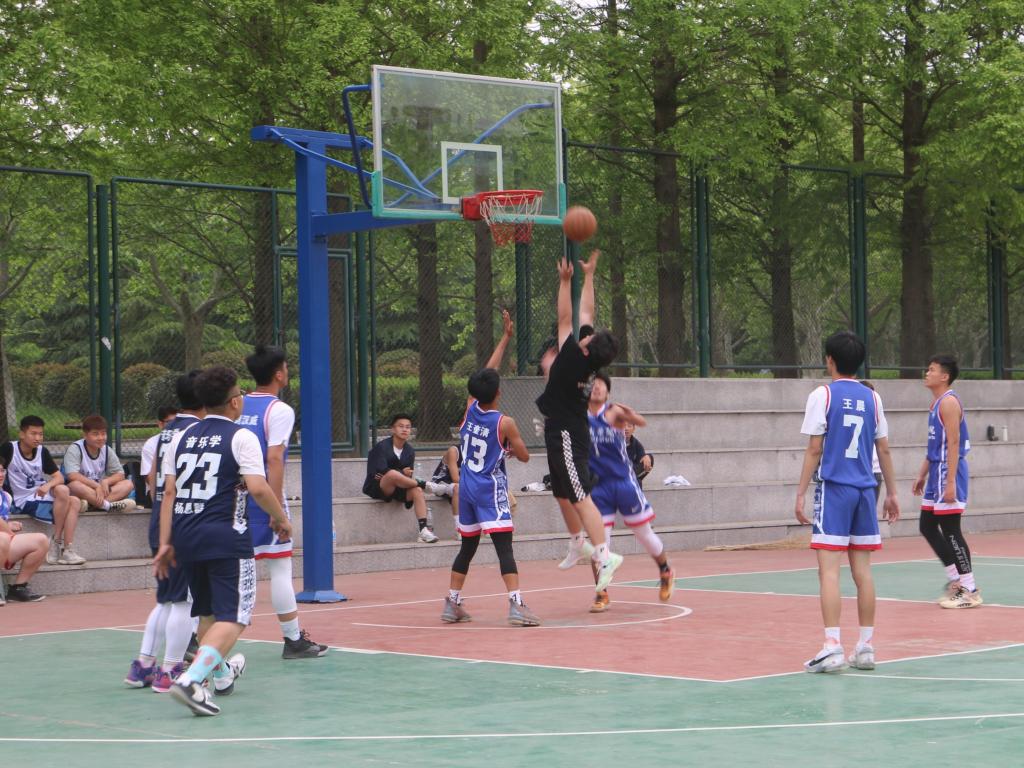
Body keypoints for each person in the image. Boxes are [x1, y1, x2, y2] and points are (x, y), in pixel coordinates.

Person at [154, 365, 292, 717]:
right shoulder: (241, 437)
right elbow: (258, 487)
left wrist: (166, 542)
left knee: (208, 612)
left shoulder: (181, 436)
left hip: (186, 535)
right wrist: (280, 518)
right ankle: (191, 680)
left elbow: (169, 493)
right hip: (225, 536)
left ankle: (221, 675)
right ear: (234, 402)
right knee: (235, 616)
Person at [795, 331, 900, 673]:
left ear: (829, 360)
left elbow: (814, 448)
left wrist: (800, 492)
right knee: (863, 572)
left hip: (835, 489)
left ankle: (832, 646)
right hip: (866, 491)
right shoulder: (873, 398)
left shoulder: (822, 395)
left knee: (828, 570)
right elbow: (883, 448)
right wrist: (893, 493)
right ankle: (866, 647)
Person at [535, 251, 623, 598]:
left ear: (587, 348)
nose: (587, 333)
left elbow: (564, 317)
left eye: (589, 336)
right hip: (559, 428)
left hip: (568, 433)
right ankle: (578, 543)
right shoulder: (589, 355)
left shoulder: (573, 357)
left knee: (580, 495)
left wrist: (565, 281)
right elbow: (586, 312)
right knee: (561, 493)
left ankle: (605, 555)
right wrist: (588, 276)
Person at [442, 315, 537, 626]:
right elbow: (524, 456)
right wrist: (510, 448)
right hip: (488, 488)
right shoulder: (505, 422)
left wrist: (505, 338)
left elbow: (488, 371)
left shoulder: (470, 408)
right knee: (504, 547)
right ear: (498, 393)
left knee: (468, 546)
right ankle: (516, 604)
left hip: (467, 486)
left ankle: (452, 602)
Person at [240, 344, 328, 658]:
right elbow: (274, 458)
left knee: (227, 570)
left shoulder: (238, 404)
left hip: (233, 497)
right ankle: (293, 640)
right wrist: (276, 510)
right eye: (287, 368)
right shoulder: (279, 410)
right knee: (279, 567)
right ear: (279, 374)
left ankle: (196, 635)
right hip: (262, 496)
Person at [126, 374, 203, 691]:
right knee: (184, 602)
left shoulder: (165, 433)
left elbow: (156, 480)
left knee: (166, 600)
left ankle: (143, 666)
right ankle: (170, 670)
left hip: (160, 519)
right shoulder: (199, 432)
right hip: (183, 522)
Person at [587, 372, 674, 613]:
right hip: (599, 487)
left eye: (602, 385)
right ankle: (601, 592)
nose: (597, 388)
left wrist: (630, 415)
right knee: (599, 543)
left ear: (608, 392)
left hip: (623, 482)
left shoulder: (613, 412)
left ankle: (665, 570)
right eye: (594, 385)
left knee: (644, 534)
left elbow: (641, 422)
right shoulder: (580, 416)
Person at [912, 354, 981, 609]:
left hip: (947, 473)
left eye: (931, 370)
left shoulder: (949, 403)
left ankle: (970, 589)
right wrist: (922, 473)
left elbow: (953, 443)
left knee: (951, 530)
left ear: (944, 376)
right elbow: (936, 446)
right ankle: (956, 579)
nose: (927, 373)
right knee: (927, 525)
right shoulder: (936, 404)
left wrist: (950, 481)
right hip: (936, 472)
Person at [0, 415, 82, 565]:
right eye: (33, 433)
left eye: (41, 434)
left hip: (40, 494)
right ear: (22, 434)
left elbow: (59, 477)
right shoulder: (9, 449)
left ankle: (64, 547)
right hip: (22, 500)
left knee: (66, 493)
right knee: (73, 503)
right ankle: (59, 544)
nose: (38, 438)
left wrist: (48, 485)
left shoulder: (41, 451)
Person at [362, 414, 438, 543]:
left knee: (417, 491)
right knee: (391, 474)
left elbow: (408, 477)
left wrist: (402, 475)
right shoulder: (381, 447)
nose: (405, 429)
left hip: (399, 488)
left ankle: (423, 530)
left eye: (408, 427)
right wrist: (401, 472)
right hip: (379, 487)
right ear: (393, 429)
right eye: (401, 426)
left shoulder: (409, 451)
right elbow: (382, 472)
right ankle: (425, 485)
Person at [63, 414, 136, 512]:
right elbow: (72, 476)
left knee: (128, 484)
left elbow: (120, 474)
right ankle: (108, 506)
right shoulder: (75, 449)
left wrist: (106, 481)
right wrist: (96, 486)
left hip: (100, 491)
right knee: (75, 485)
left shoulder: (106, 450)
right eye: (95, 434)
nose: (101, 438)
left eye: (103, 433)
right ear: (85, 435)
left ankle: (90, 505)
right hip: (83, 490)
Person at [0, 462, 48, 602]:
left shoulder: (6, 496)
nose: (0, 475)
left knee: (41, 540)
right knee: (3, 538)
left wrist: (8, 525)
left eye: (2, 471)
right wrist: (8, 530)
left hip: (3, 542)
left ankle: (18, 588)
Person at [140, 406, 178, 506]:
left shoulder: (185, 440)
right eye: (170, 422)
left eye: (178, 422)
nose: (175, 426)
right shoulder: (151, 444)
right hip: (158, 492)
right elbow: (149, 478)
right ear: (160, 424)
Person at [426, 444, 461, 537]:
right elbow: (455, 478)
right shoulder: (454, 451)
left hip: (459, 484)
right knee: (458, 488)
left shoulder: (478, 452)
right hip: (442, 481)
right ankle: (460, 529)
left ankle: (487, 526)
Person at [623, 422, 653, 487]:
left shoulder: (635, 443)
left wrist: (646, 457)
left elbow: (642, 457)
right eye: (623, 426)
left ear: (633, 429)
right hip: (617, 473)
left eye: (629, 426)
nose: (626, 428)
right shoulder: (614, 442)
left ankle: (631, 478)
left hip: (631, 473)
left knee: (649, 458)